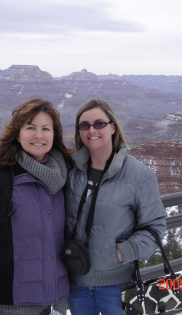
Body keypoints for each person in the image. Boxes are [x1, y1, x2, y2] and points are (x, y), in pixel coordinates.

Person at [0, 98, 73, 315]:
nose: (39, 135)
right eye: (30, 128)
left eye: (46, 128)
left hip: (57, 301)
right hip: (11, 304)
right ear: (17, 134)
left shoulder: (65, 175)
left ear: (54, 135)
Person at [64, 98, 167, 315]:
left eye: (99, 123)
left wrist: (122, 252)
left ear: (112, 127)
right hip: (76, 286)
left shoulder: (139, 175)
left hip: (118, 286)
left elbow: (155, 226)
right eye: (84, 125)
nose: (92, 130)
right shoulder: (70, 171)